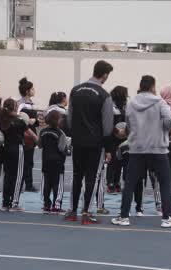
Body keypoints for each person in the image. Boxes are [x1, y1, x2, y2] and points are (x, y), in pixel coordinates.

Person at [111, 75, 171, 228]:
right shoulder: (159, 102)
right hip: (158, 148)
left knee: (130, 183)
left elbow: (129, 125)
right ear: (152, 86)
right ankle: (166, 217)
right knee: (164, 182)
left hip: (137, 148)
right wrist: (164, 128)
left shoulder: (131, 103)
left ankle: (124, 216)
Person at [65, 60, 114, 225]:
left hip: (78, 141)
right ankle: (87, 212)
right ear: (105, 74)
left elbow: (69, 118)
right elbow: (107, 127)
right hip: (95, 143)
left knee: (77, 175)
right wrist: (108, 148)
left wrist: (76, 134)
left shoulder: (75, 91)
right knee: (92, 177)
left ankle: (72, 211)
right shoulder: (104, 95)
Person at [0, 98, 38, 212]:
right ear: (15, 108)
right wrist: (40, 142)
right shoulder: (19, 121)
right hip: (17, 149)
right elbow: (32, 135)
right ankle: (14, 203)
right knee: (18, 176)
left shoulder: (1, 120)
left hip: (5, 148)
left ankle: (5, 203)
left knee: (8, 176)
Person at [39, 110, 69, 214]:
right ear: (57, 120)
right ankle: (56, 205)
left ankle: (46, 203)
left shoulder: (43, 132)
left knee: (46, 183)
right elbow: (62, 148)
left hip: (46, 160)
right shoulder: (61, 133)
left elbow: (39, 145)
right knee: (58, 184)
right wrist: (68, 150)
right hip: (58, 162)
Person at [17, 77, 39, 192]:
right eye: (32, 89)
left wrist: (35, 121)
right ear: (27, 91)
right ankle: (20, 184)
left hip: (32, 134)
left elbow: (36, 119)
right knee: (23, 160)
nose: (34, 90)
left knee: (30, 161)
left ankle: (29, 184)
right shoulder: (20, 104)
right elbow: (16, 116)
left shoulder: (32, 104)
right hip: (24, 134)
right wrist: (26, 121)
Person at [106, 86, 129, 194]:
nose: (126, 96)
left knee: (120, 160)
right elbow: (108, 123)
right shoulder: (111, 107)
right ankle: (110, 183)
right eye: (125, 94)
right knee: (112, 161)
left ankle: (117, 182)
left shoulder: (125, 106)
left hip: (123, 138)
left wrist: (127, 131)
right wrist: (116, 131)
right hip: (112, 138)